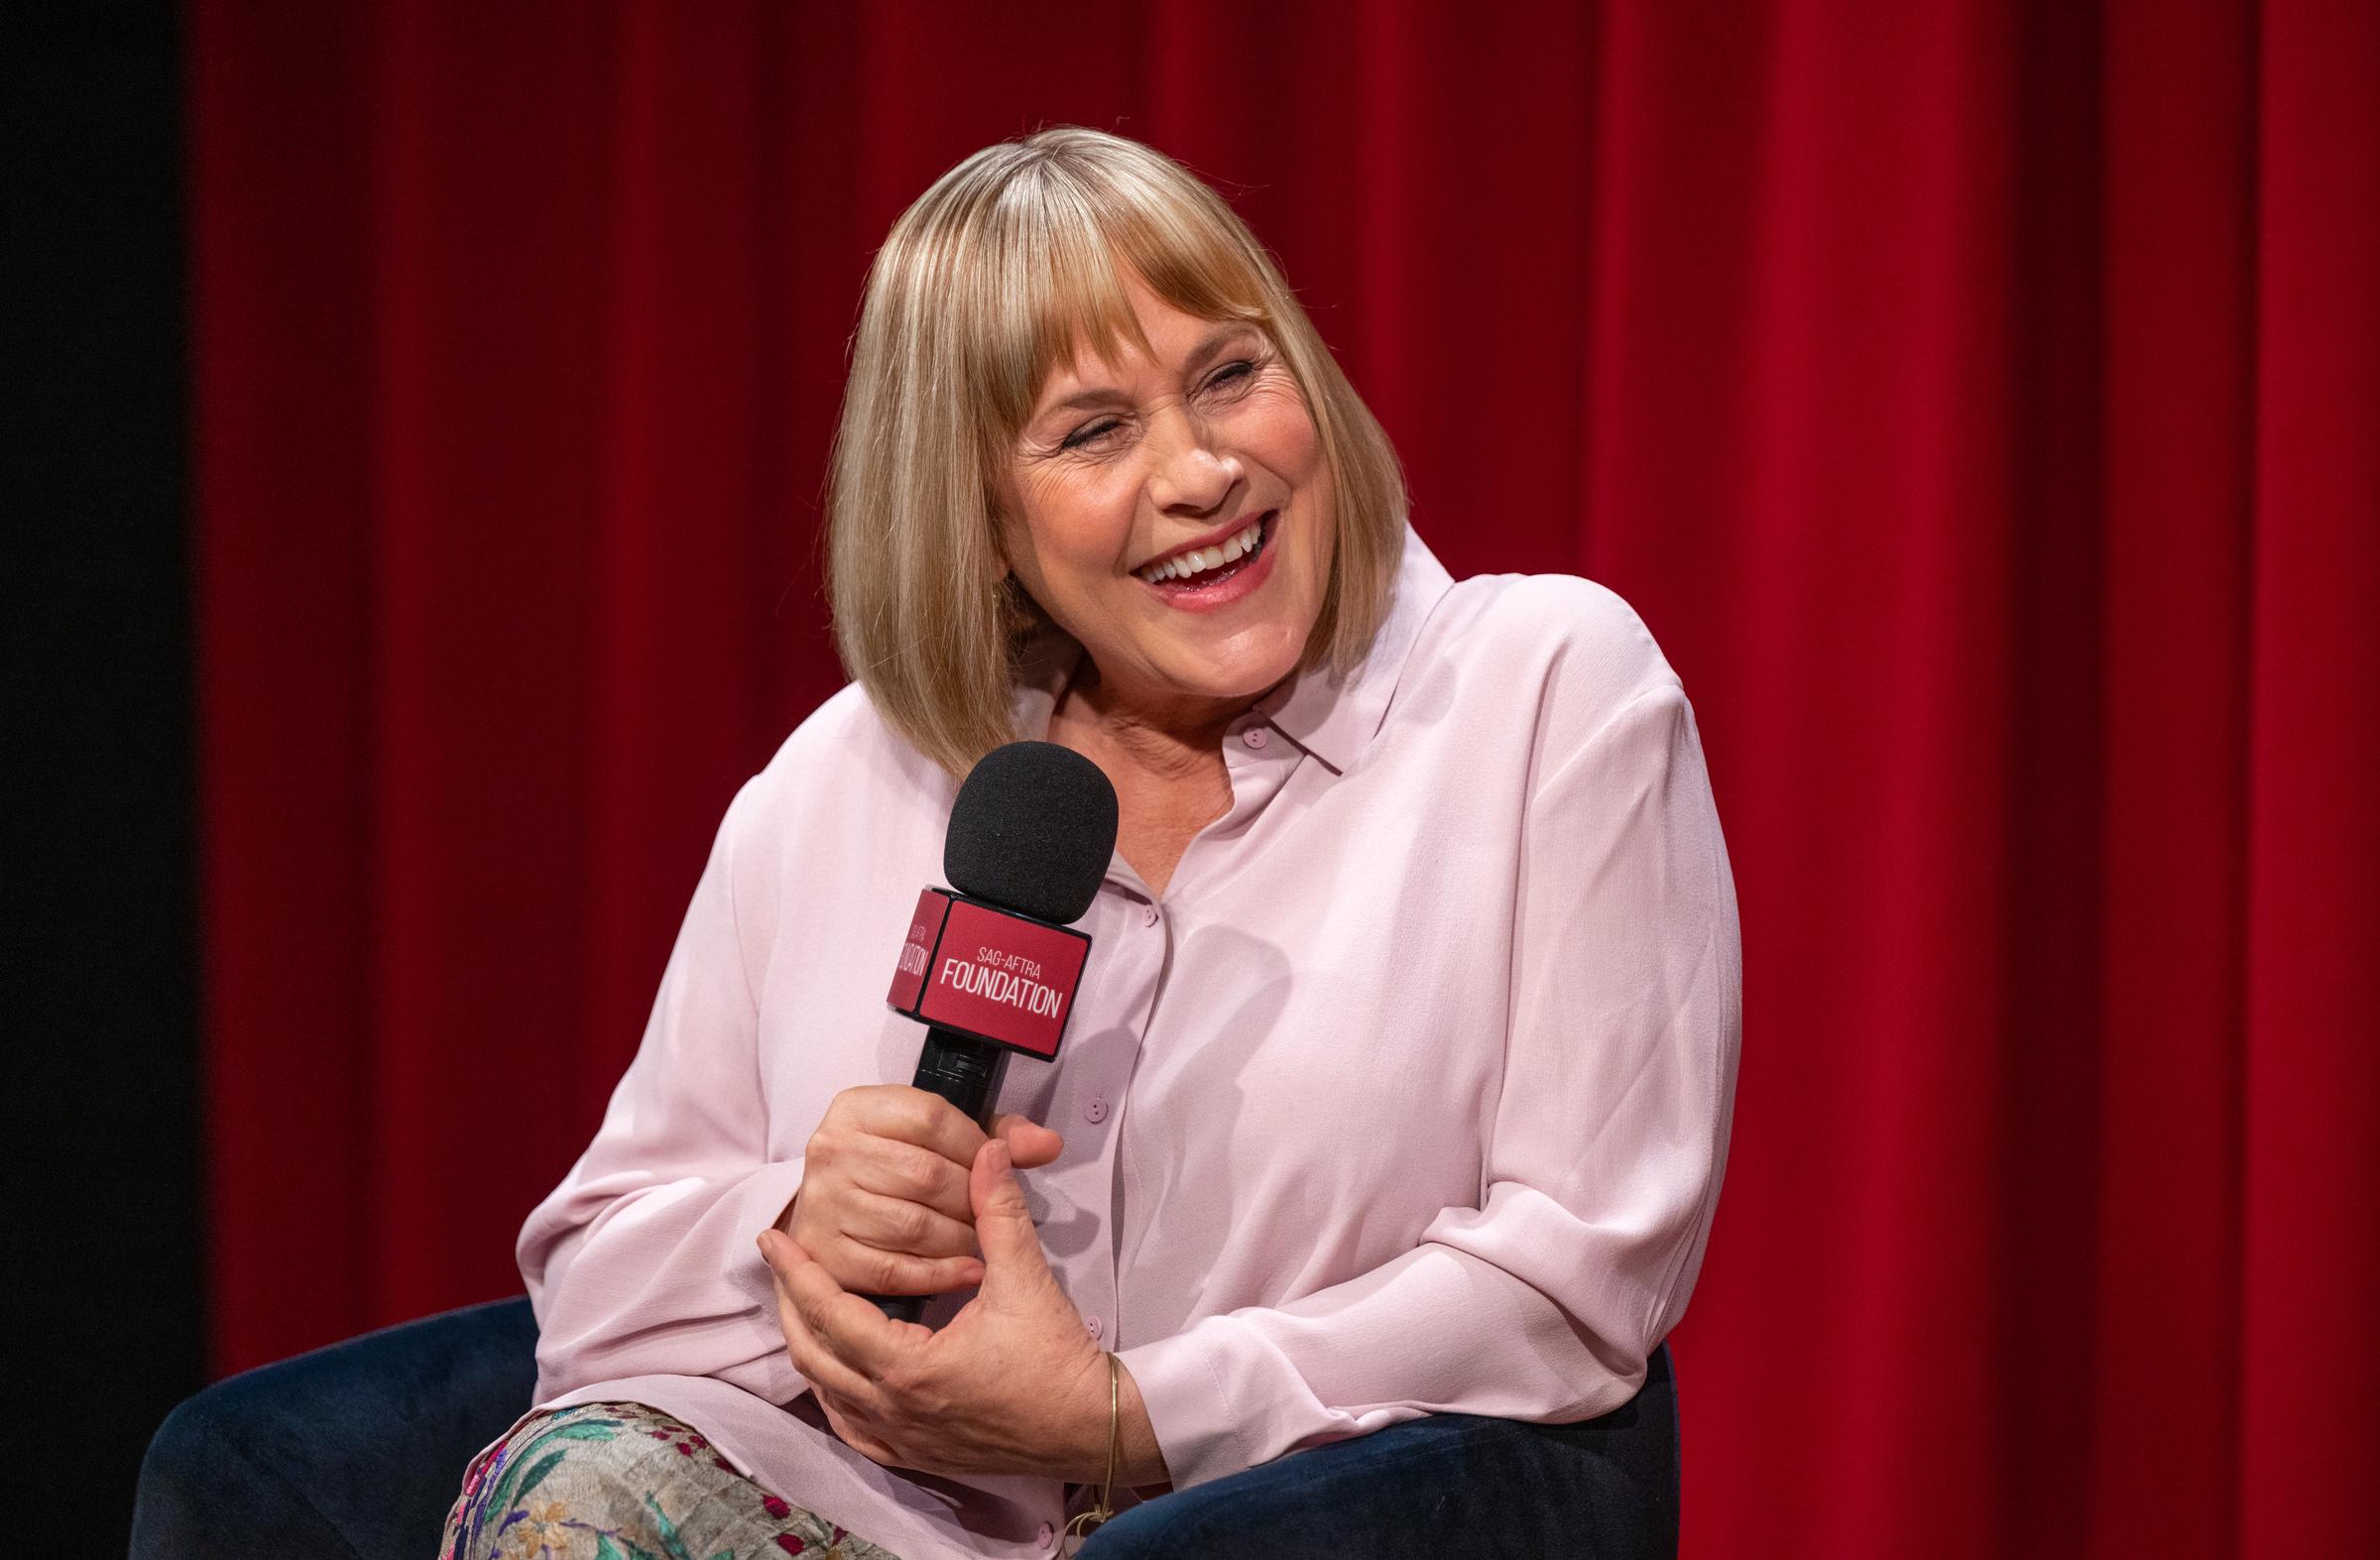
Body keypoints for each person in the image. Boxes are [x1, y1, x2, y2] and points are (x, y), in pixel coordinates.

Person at [440, 125, 1740, 1560]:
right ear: (982, 519)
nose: (1200, 471)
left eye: (1231, 374)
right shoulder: (848, 774)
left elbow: (1580, 1275)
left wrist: (1128, 1412)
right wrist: (807, 1216)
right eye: (1094, 430)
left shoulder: (1545, 689)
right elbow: (594, 1291)